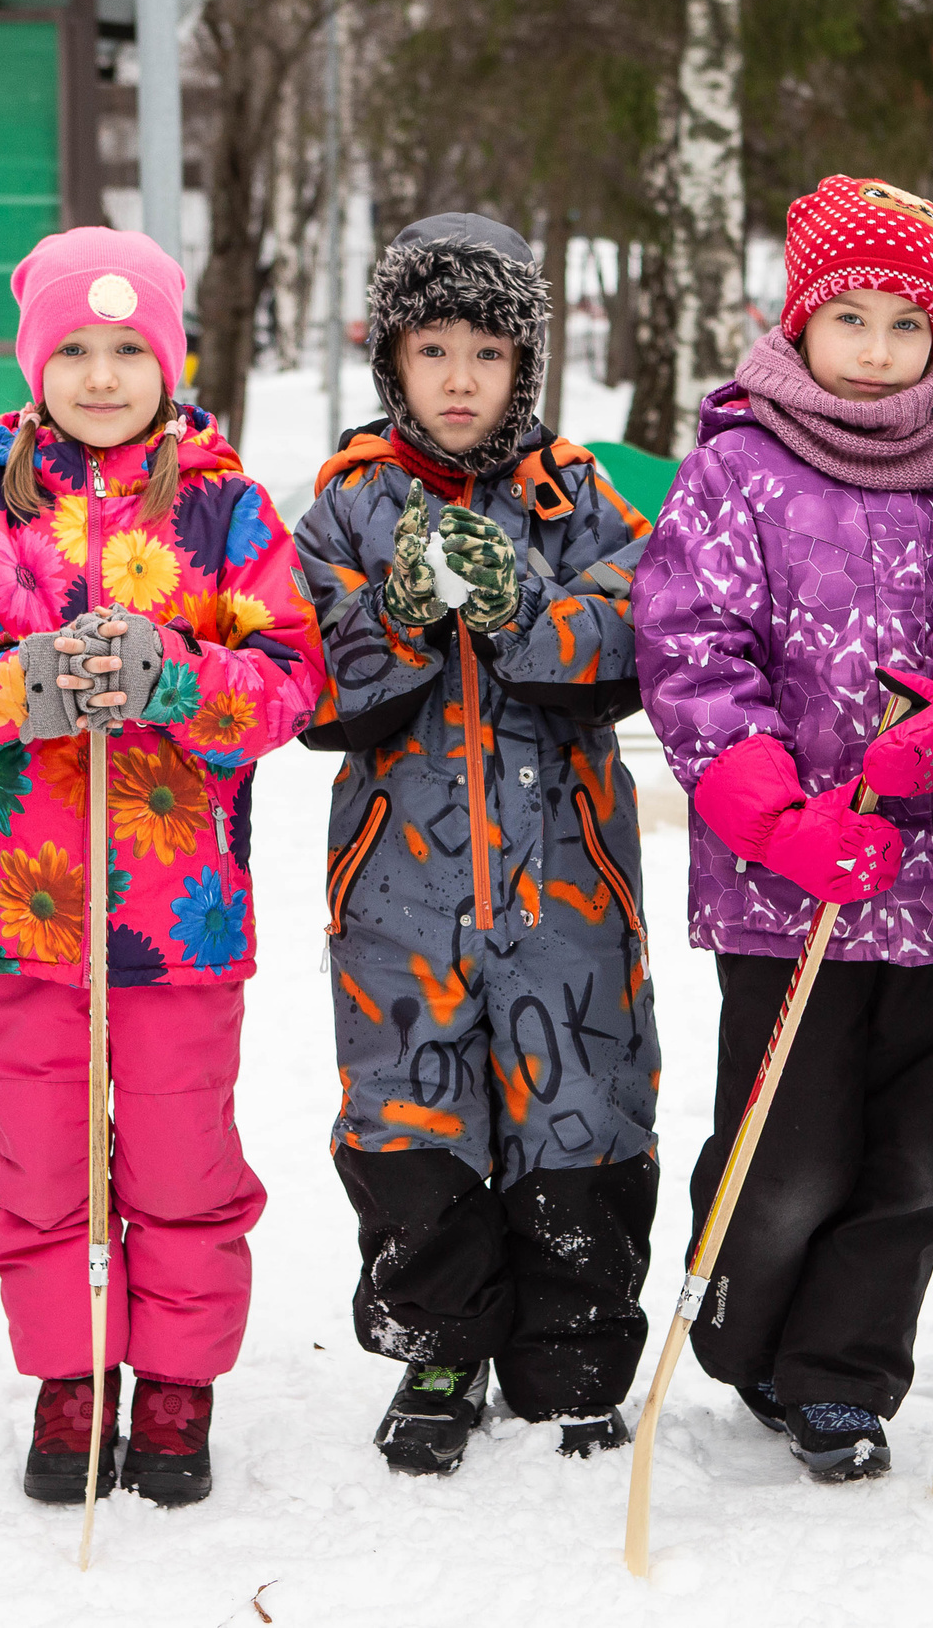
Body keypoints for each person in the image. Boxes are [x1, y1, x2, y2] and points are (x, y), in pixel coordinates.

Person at [0, 226, 325, 1507]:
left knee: (181, 1154)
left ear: (170, 358)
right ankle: (72, 1373)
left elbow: (292, 681)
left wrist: (177, 678)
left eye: (131, 347)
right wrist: (17, 688)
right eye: (75, 348)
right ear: (34, 361)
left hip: (179, 916)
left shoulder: (225, 507)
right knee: (40, 1154)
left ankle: (177, 1376)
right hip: (27, 913)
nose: (105, 372)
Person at [636, 174, 933, 1483]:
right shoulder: (739, 469)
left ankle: (843, 1374)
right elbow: (691, 649)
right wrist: (779, 817)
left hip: (932, 885)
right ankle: (747, 1328)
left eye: (904, 324)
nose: (876, 348)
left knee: (908, 1154)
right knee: (790, 1149)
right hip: (787, 885)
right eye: (848, 318)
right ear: (798, 323)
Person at [292, 213, 657, 1475]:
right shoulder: (347, 503)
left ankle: (575, 1354)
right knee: (414, 1109)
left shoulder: (575, 492)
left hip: (567, 884)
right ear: (391, 356)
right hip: (399, 890)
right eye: (432, 347)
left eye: (489, 352)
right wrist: (393, 619)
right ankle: (438, 1343)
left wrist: (529, 613)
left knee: (579, 1108)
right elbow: (310, 692)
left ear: (527, 365)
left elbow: (632, 644)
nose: (459, 379)